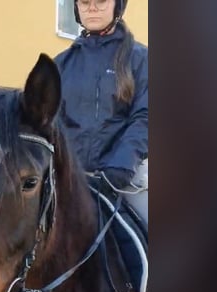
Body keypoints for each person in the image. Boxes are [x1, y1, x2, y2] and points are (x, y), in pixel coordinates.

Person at [54, 0, 148, 217]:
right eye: (85, 2)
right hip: (71, 178)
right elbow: (49, 123)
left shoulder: (141, 59)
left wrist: (120, 167)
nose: (92, 8)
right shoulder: (60, 65)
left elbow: (145, 117)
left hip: (126, 176)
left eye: (100, 1)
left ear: (118, 5)